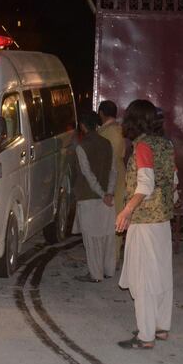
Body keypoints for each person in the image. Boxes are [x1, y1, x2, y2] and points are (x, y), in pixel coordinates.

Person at [116, 99, 177, 350]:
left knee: (143, 278)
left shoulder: (142, 145)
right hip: (162, 219)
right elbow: (174, 180)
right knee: (162, 274)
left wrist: (127, 211)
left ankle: (145, 336)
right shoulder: (166, 144)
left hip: (144, 220)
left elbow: (145, 183)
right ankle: (160, 326)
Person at [71, 111, 117, 283]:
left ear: (83, 126)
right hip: (107, 198)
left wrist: (101, 193)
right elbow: (113, 170)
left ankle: (95, 274)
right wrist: (109, 193)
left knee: (92, 239)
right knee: (107, 236)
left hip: (89, 197)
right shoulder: (107, 144)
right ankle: (108, 270)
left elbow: (87, 174)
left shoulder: (81, 147)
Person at [97, 100, 127, 263]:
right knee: (117, 215)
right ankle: (112, 257)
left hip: (109, 175)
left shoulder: (107, 132)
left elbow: (108, 159)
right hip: (120, 174)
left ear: (101, 113)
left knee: (110, 217)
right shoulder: (120, 130)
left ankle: (110, 258)